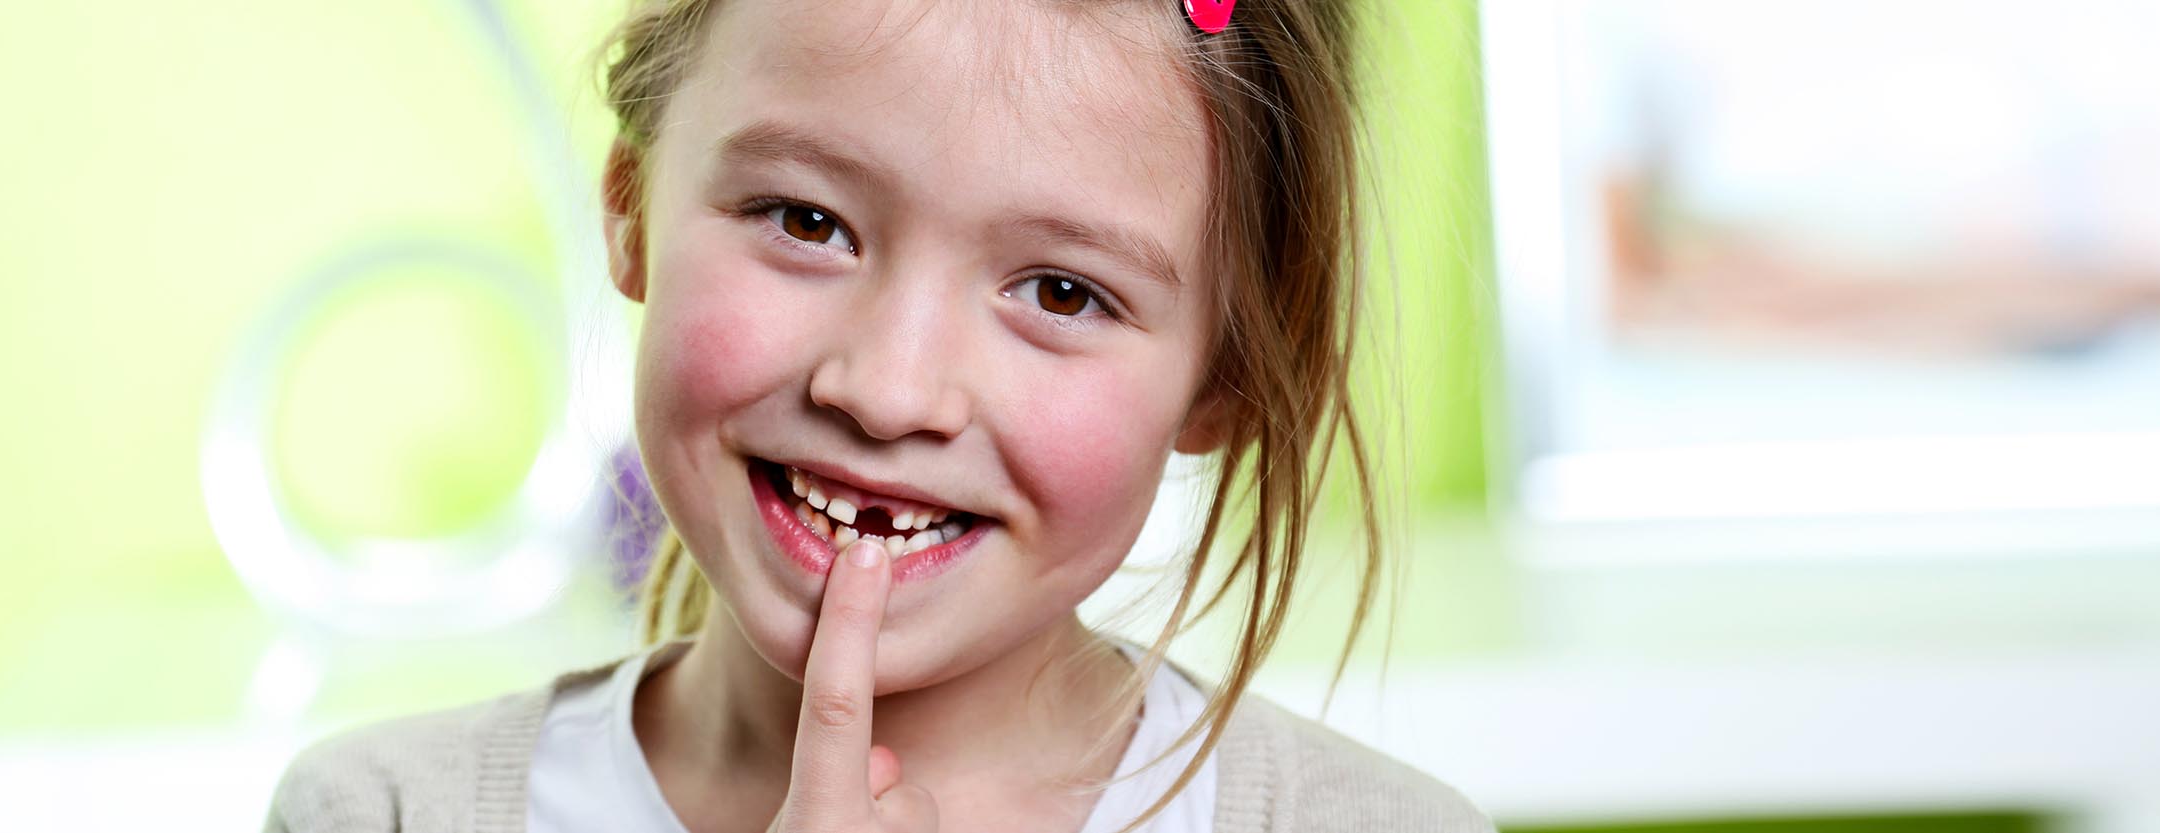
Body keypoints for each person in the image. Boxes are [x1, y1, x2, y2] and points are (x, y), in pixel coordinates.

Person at [264, 0, 1492, 829]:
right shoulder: (385, 811)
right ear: (630, 209)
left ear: (1225, 374)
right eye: (806, 221)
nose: (890, 389)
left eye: (1061, 291)